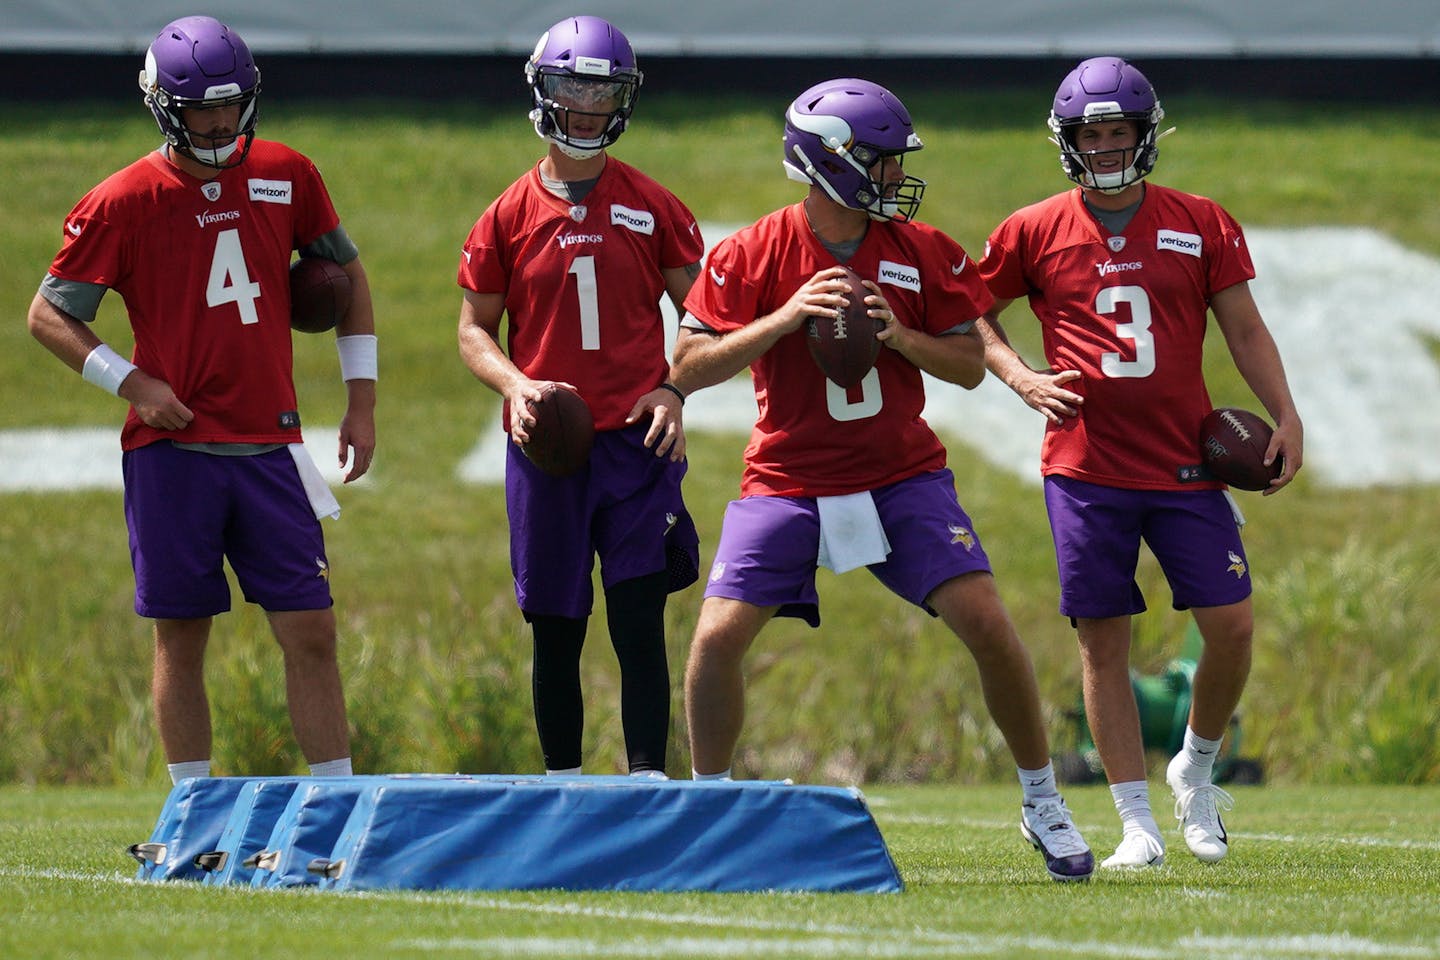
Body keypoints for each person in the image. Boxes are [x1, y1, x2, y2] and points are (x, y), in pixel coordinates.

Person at [671, 77, 1093, 882]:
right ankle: (710, 810)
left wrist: (900, 336)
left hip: (902, 476)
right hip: (788, 478)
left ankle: (1043, 800)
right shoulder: (751, 251)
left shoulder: (923, 251)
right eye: (881, 162)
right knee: (716, 640)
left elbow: (970, 367)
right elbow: (686, 366)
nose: (895, 178)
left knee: (989, 624)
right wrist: (787, 316)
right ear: (827, 160)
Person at [26, 16, 377, 785]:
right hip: (173, 451)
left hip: (270, 443)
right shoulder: (122, 199)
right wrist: (131, 381)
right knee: (181, 634)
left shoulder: (289, 172)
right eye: (200, 110)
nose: (219, 123)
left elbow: (348, 283)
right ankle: (194, 801)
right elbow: (49, 314)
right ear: (162, 107)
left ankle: (336, 798)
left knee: (311, 629)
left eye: (230, 106)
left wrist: (362, 400)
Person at [975, 56, 1303, 869]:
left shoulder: (1201, 220)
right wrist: (1020, 376)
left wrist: (1288, 414)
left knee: (1231, 626)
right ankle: (1136, 824)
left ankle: (1196, 762)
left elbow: (1246, 330)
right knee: (1103, 643)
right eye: (1093, 133)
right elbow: (969, 311)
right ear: (1068, 142)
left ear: (1147, 134)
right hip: (1084, 468)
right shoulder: (1032, 226)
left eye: (1120, 131)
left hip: (1186, 464)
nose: (1108, 145)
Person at [456, 15, 702, 777]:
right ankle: (563, 785)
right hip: (547, 447)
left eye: (603, 91)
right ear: (543, 91)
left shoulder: (654, 204)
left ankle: (647, 786)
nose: (588, 106)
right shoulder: (506, 213)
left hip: (635, 443)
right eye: (572, 86)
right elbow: (473, 330)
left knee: (639, 623)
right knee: (555, 627)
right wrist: (517, 384)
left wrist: (673, 387)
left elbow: (705, 315)